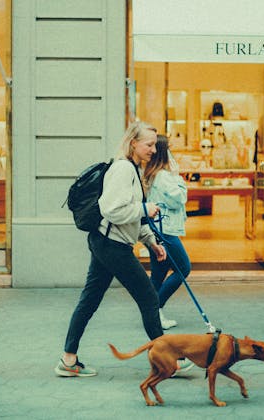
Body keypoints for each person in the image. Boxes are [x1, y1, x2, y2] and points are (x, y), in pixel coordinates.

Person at [56, 121, 193, 378]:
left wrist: (152, 241)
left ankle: (68, 360)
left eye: (154, 144)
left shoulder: (133, 169)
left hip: (106, 242)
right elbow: (113, 210)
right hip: (112, 246)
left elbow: (130, 217)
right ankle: (169, 361)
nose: (154, 149)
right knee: (149, 298)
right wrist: (145, 209)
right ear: (133, 144)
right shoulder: (123, 169)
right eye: (149, 144)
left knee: (90, 299)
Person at [143, 135, 191, 330]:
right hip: (166, 231)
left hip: (156, 229)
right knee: (183, 267)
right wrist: (178, 176)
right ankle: (155, 309)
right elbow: (179, 199)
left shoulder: (151, 173)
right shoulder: (163, 176)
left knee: (158, 273)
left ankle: (153, 315)